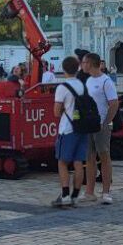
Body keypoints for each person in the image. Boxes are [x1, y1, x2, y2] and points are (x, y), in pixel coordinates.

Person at [82, 53, 119, 204]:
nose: (82, 65)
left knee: (104, 157)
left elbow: (114, 103)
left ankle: (105, 192)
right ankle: (89, 192)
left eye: (84, 62)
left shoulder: (106, 81)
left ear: (90, 64)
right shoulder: (88, 80)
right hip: (89, 125)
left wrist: (106, 122)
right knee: (89, 157)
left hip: (101, 125)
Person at [52, 56, 88, 208]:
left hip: (68, 129)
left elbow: (56, 111)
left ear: (64, 68)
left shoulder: (62, 87)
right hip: (82, 128)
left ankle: (65, 194)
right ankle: (75, 195)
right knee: (78, 162)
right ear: (77, 68)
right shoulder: (82, 85)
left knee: (62, 162)